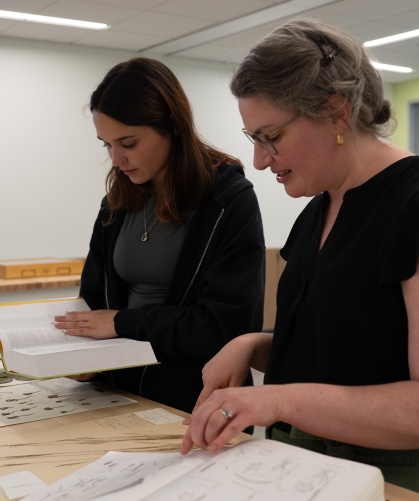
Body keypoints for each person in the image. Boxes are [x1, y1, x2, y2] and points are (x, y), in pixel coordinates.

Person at [180, 18, 419, 498]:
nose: (259, 160)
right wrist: (252, 345)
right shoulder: (321, 207)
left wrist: (278, 401)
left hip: (393, 480)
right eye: (252, 137)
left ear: (336, 112)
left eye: (271, 136)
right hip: (301, 467)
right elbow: (344, 349)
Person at [52, 57, 265, 415]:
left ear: (173, 127)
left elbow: (224, 326)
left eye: (129, 143)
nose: (116, 158)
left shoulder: (228, 201)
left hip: (194, 398)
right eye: (106, 144)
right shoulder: (116, 204)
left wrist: (122, 323)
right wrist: (82, 360)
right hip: (115, 394)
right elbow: (93, 302)